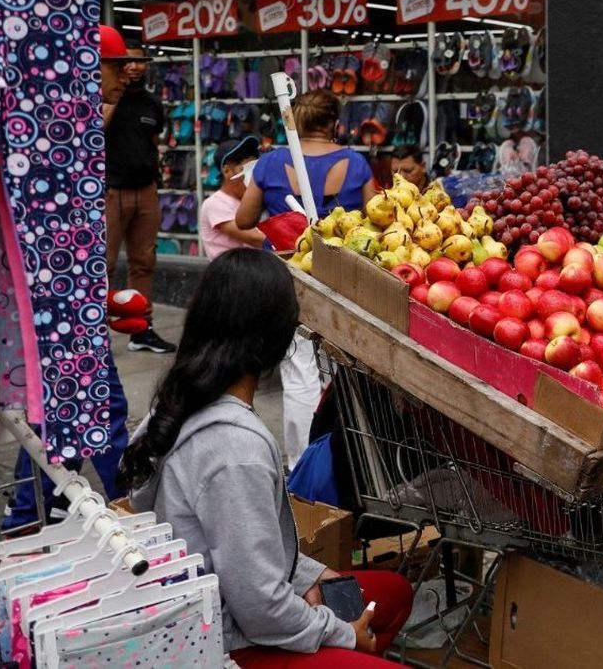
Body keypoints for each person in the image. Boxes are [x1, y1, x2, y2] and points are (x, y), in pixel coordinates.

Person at [118, 250, 413, 667]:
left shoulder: (180, 402)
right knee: (364, 631)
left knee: (394, 592)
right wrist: (343, 634)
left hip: (226, 602)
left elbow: (241, 555)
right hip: (224, 639)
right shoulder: (237, 451)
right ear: (275, 340)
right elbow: (260, 608)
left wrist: (308, 575)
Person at [99, 24, 176, 354]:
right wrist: (111, 99)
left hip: (145, 189)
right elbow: (94, 132)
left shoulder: (151, 103)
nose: (131, 69)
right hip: (111, 191)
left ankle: (142, 329)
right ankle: (94, 331)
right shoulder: (104, 99)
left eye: (136, 62)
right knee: (102, 263)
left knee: (144, 262)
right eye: (121, 63)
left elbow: (153, 142)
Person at [237, 90, 380, 232]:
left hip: (283, 247)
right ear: (335, 125)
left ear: (296, 124)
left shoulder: (269, 162)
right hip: (342, 247)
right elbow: (375, 219)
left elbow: (244, 220)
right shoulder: (357, 163)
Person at [200, 138, 265, 258]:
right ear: (227, 171)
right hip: (232, 270)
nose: (252, 175)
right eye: (246, 169)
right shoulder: (215, 204)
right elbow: (255, 238)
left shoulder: (255, 201)